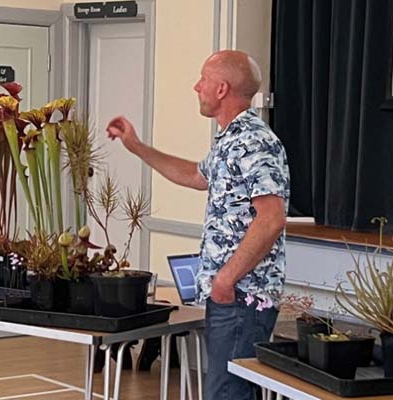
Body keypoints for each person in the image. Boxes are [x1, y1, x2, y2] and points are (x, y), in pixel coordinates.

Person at [106, 50, 289, 400]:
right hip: (231, 296)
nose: (196, 87)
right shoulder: (230, 140)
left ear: (221, 89)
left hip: (242, 296)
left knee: (227, 394)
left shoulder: (254, 141)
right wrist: (136, 146)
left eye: (203, 79)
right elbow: (194, 174)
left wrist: (226, 278)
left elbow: (271, 218)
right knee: (223, 391)